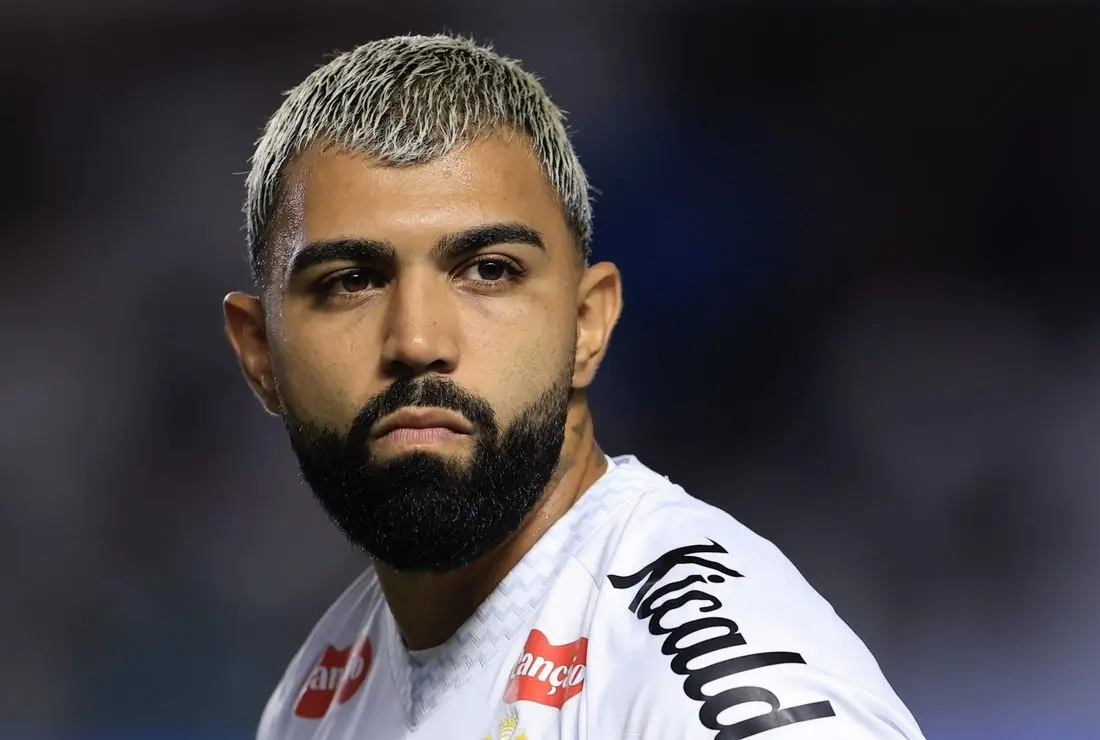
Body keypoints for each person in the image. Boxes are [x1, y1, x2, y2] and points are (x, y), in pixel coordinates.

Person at [223, 33, 926, 740]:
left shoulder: (698, 680)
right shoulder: (320, 695)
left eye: (489, 271)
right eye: (351, 281)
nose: (417, 341)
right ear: (259, 354)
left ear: (587, 325)